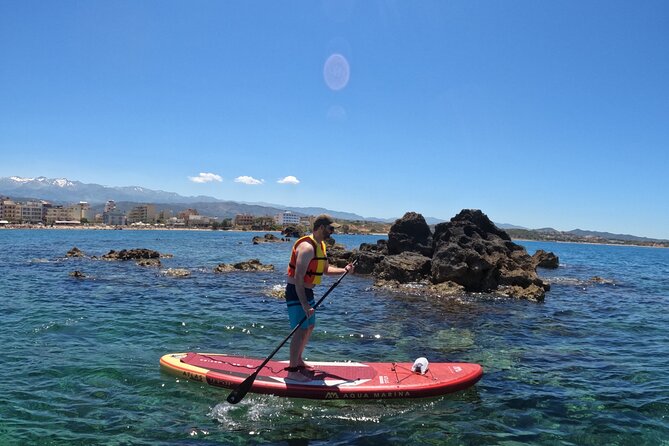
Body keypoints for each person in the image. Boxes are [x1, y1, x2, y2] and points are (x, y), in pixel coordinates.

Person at [285, 214, 354, 382]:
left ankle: (299, 360)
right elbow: (299, 277)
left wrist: (344, 270)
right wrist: (304, 305)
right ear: (321, 227)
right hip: (296, 291)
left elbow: (326, 270)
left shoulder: (320, 245)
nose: (332, 232)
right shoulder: (307, 247)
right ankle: (292, 371)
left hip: (307, 292)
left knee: (309, 326)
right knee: (300, 329)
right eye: (331, 229)